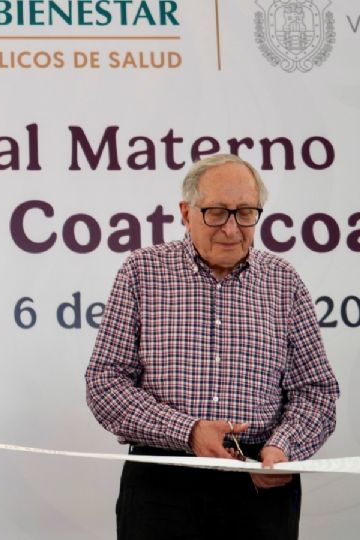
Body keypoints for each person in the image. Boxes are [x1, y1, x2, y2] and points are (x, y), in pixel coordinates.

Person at [85, 154, 340, 539]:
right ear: (186, 213)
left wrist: (282, 448)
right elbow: (105, 383)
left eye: (246, 213)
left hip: (260, 485)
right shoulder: (142, 272)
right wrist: (188, 431)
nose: (232, 229)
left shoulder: (284, 282)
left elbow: (317, 392)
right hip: (162, 483)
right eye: (217, 213)